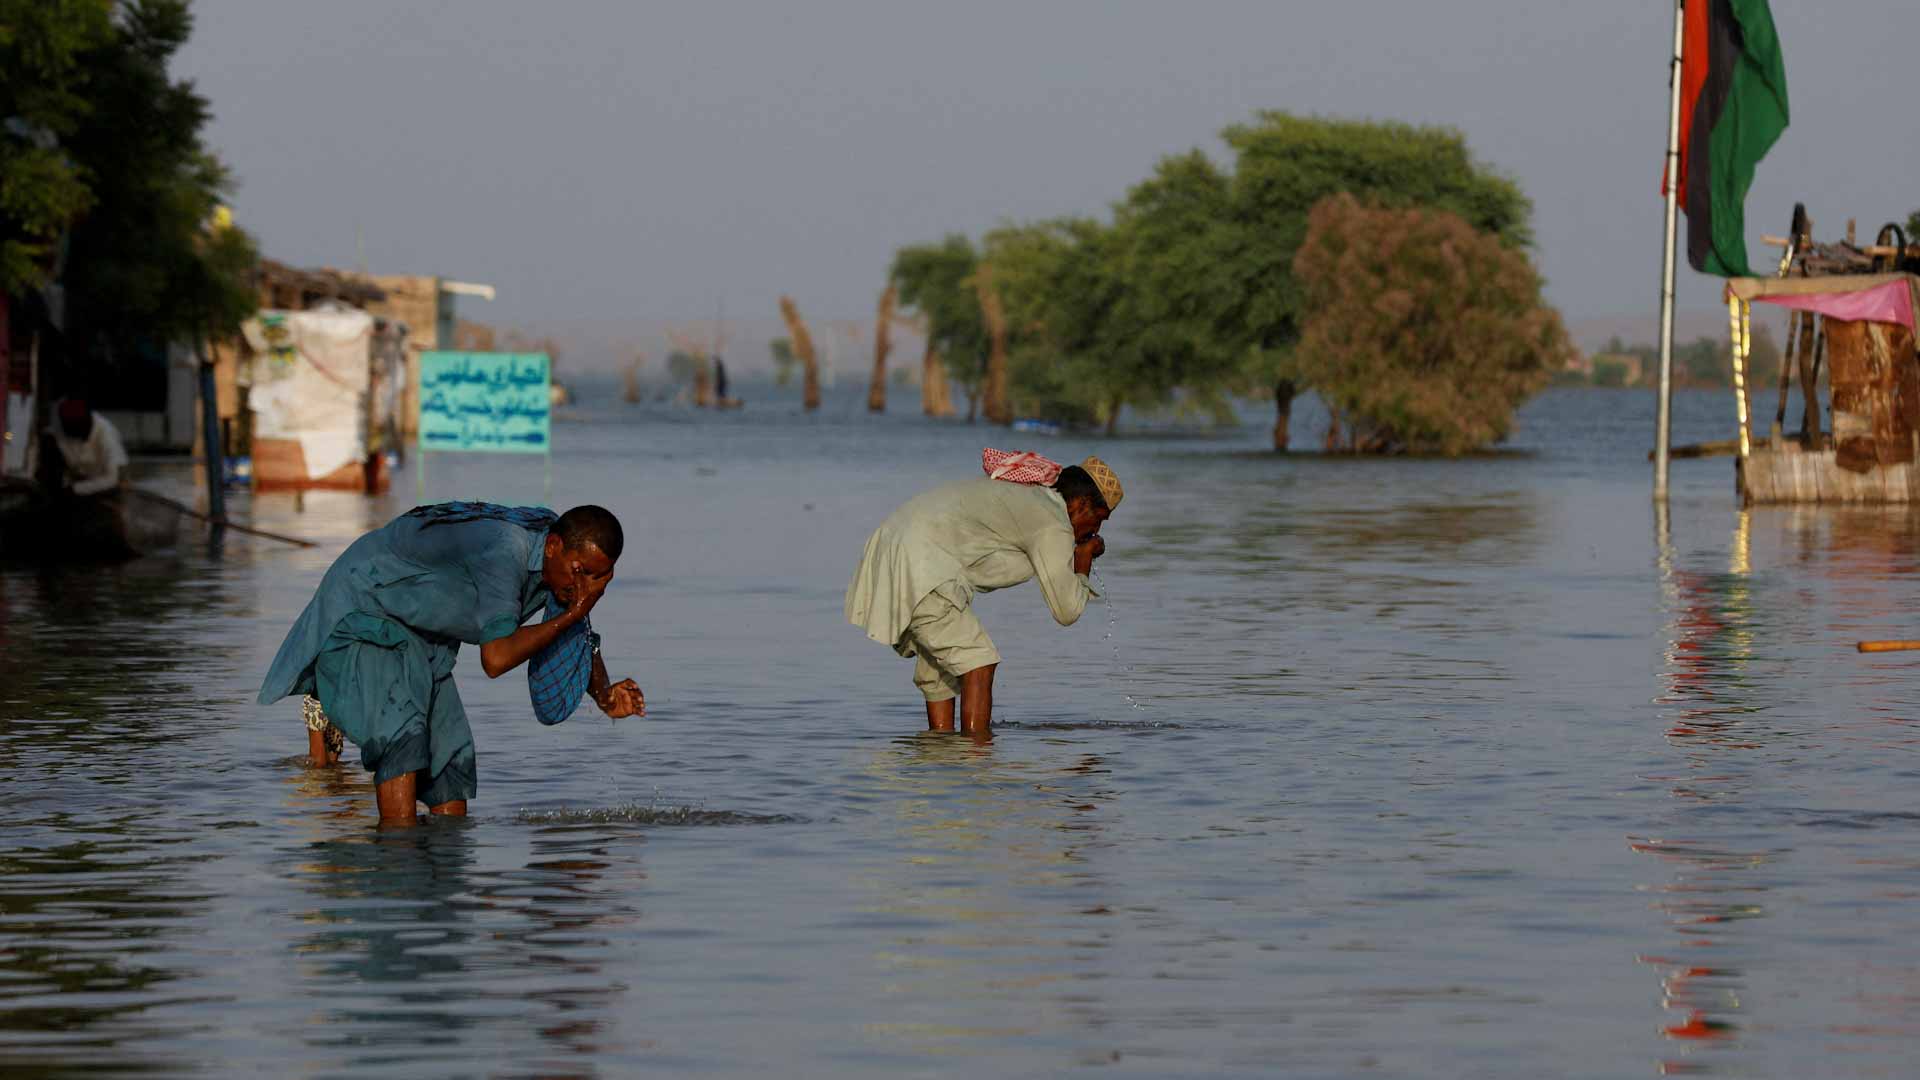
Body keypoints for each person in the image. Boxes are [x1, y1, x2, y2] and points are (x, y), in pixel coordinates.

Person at [259, 502, 645, 825]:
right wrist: (574, 614)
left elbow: (575, 635)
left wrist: (603, 695)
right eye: (582, 574)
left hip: (424, 636)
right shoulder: (504, 552)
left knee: (451, 764)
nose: (586, 589)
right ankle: (398, 868)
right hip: (366, 612)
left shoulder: (563, 560)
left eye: (599, 581)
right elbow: (495, 659)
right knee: (404, 741)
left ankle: (442, 894)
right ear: (553, 546)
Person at [845, 456, 1123, 736]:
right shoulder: (1053, 522)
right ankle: (976, 762)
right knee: (979, 661)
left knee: (940, 674)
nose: (1096, 531)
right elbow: (1067, 611)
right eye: (1098, 519)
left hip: (895, 546)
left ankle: (940, 754)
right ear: (1080, 504)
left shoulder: (1034, 501)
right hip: (922, 562)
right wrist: (1083, 561)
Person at [49, 397, 128, 497]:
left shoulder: (107, 435)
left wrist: (75, 489)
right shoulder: (60, 430)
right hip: (77, 482)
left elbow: (112, 479)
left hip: (107, 488)